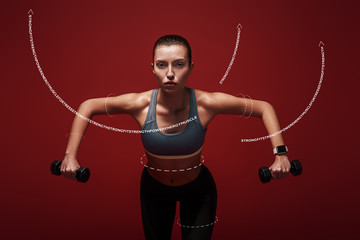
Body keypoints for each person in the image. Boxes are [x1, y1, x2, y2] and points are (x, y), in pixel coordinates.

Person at [60, 34, 291, 240]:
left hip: (198, 191)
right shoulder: (139, 104)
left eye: (178, 65)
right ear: (152, 68)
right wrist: (70, 156)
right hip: (154, 190)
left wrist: (280, 154)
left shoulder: (206, 104)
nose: (170, 73)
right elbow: (87, 106)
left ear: (191, 67)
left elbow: (264, 108)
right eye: (162, 65)